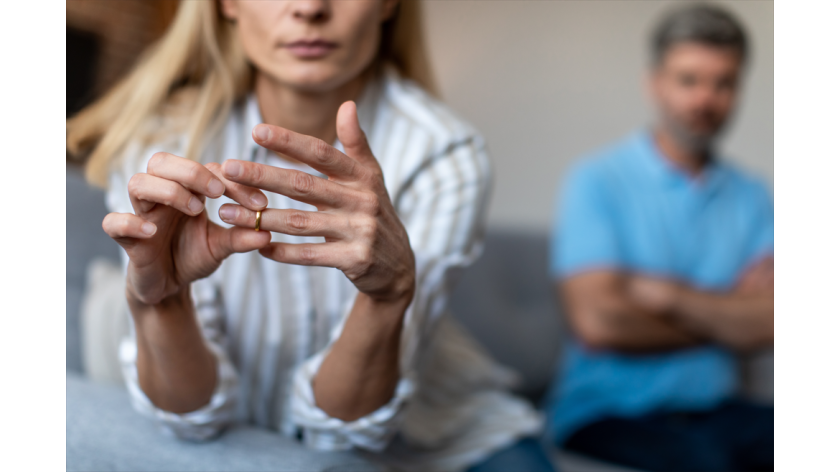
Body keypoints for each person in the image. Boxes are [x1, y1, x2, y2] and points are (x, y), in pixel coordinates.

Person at [66, 2, 556, 471]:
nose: (310, 7)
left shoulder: (445, 154)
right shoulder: (161, 145)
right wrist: (163, 303)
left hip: (438, 439)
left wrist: (388, 297)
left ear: (388, 3)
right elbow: (190, 417)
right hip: (249, 433)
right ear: (227, 3)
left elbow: (342, 435)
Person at [545, 4, 773, 472]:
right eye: (689, 80)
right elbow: (599, 322)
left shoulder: (754, 196)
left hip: (717, 409)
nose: (705, 99)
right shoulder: (597, 180)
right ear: (655, 83)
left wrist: (666, 296)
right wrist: (728, 318)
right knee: (706, 462)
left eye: (723, 83)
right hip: (602, 415)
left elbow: (773, 324)